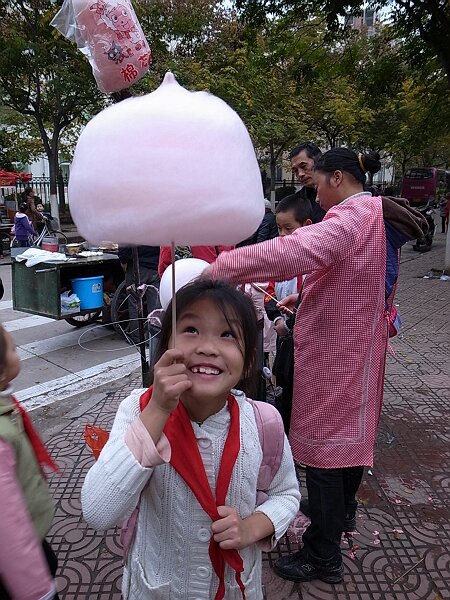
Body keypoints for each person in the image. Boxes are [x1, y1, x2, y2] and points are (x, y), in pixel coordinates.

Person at [205, 148, 428, 584]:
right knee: (348, 442)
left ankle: (322, 553)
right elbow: (353, 278)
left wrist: (224, 266)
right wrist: (304, 298)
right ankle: (341, 515)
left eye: (317, 182)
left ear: (338, 178)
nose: (315, 192)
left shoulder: (351, 216)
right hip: (361, 351)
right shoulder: (372, 219)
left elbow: (294, 251)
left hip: (336, 357)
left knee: (325, 452)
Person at [81, 279, 300, 598]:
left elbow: (287, 494)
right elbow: (99, 511)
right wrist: (157, 410)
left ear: (250, 359)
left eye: (227, 334)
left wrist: (253, 527)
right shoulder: (137, 410)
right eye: (191, 330)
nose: (207, 347)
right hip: (156, 589)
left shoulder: (262, 422)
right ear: (165, 346)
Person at [0, 324, 59, 599]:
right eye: (13, 348)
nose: (18, 352)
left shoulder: (6, 407)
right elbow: (7, 526)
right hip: (20, 553)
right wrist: (39, 592)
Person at [264, 194, 313, 434]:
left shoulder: (317, 260)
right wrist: (278, 319)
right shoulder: (278, 258)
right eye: (278, 228)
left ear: (307, 226)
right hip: (286, 338)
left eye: (288, 228)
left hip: (311, 341)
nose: (282, 235)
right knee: (285, 384)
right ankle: (286, 440)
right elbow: (269, 295)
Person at [117, 245, 161, 344]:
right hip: (155, 266)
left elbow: (125, 246)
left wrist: (123, 261)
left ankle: (137, 337)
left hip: (138, 267)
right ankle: (154, 338)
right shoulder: (158, 229)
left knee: (135, 303)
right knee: (155, 303)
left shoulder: (131, 229)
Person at [289, 142, 326, 224]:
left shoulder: (338, 195)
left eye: (303, 166)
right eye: (295, 171)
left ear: (318, 162)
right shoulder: (296, 202)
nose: (300, 174)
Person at [158, 244, 234, 277]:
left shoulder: (174, 227)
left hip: (181, 289)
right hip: (215, 285)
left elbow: (164, 268)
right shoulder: (218, 223)